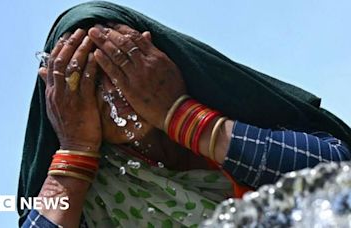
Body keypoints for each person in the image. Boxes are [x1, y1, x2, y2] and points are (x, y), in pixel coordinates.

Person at [18, 2, 351, 227]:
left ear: (156, 57)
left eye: (122, 59)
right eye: (86, 77)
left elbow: (339, 176)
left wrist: (180, 115)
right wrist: (74, 150)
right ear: (60, 101)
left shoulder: (230, 112)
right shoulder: (95, 195)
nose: (112, 90)